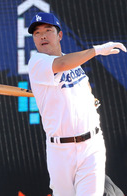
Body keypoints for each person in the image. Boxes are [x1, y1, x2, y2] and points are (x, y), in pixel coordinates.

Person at [27, 12, 126, 195]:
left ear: (60, 35)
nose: (42, 36)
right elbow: (63, 64)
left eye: (48, 30)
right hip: (60, 152)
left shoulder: (74, 63)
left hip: (91, 145)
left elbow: (85, 86)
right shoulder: (37, 62)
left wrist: (90, 101)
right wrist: (96, 50)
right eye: (36, 33)